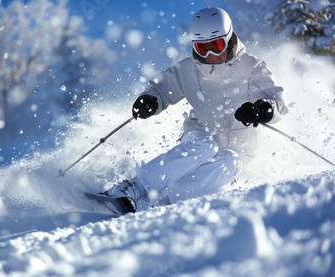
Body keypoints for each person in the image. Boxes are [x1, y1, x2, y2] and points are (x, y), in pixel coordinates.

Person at [104, 7, 288, 211]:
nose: (210, 55)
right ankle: (134, 188)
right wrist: (150, 100)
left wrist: (263, 109)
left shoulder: (252, 67)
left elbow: (277, 100)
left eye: (216, 46)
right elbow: (161, 88)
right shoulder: (188, 69)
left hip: (239, 148)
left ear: (228, 39)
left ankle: (162, 204)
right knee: (205, 146)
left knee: (232, 160)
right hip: (201, 131)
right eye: (202, 48)